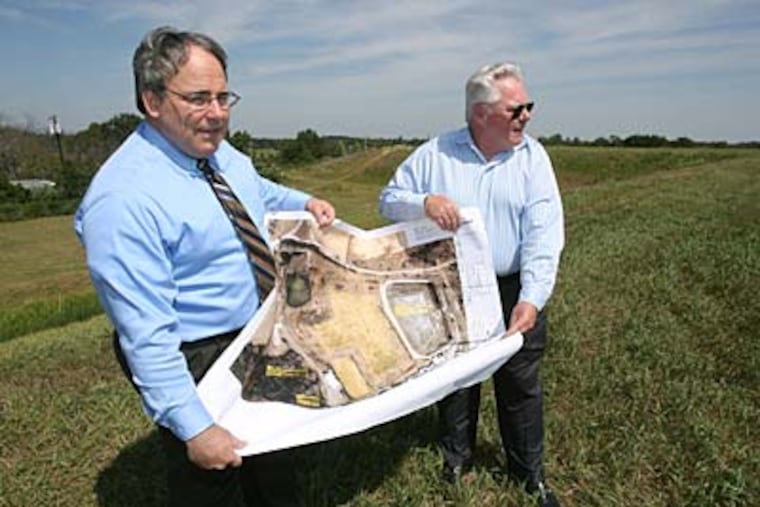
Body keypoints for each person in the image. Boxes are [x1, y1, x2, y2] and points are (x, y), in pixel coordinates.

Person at [75, 26, 335, 507]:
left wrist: (305, 200)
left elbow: (256, 190)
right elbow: (146, 335)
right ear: (152, 100)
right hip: (196, 354)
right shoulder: (123, 199)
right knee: (214, 474)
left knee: (274, 458)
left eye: (223, 97)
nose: (217, 114)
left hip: (255, 331)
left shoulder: (215, 151)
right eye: (198, 98)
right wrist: (193, 427)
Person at [378, 62, 564, 507]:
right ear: (481, 114)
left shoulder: (533, 159)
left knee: (520, 383)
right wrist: (424, 202)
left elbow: (544, 236)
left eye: (528, 107)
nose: (527, 116)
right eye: (516, 108)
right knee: (456, 378)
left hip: (513, 286)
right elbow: (388, 199)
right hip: (453, 288)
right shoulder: (435, 154)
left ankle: (528, 475)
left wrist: (532, 298)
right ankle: (455, 461)